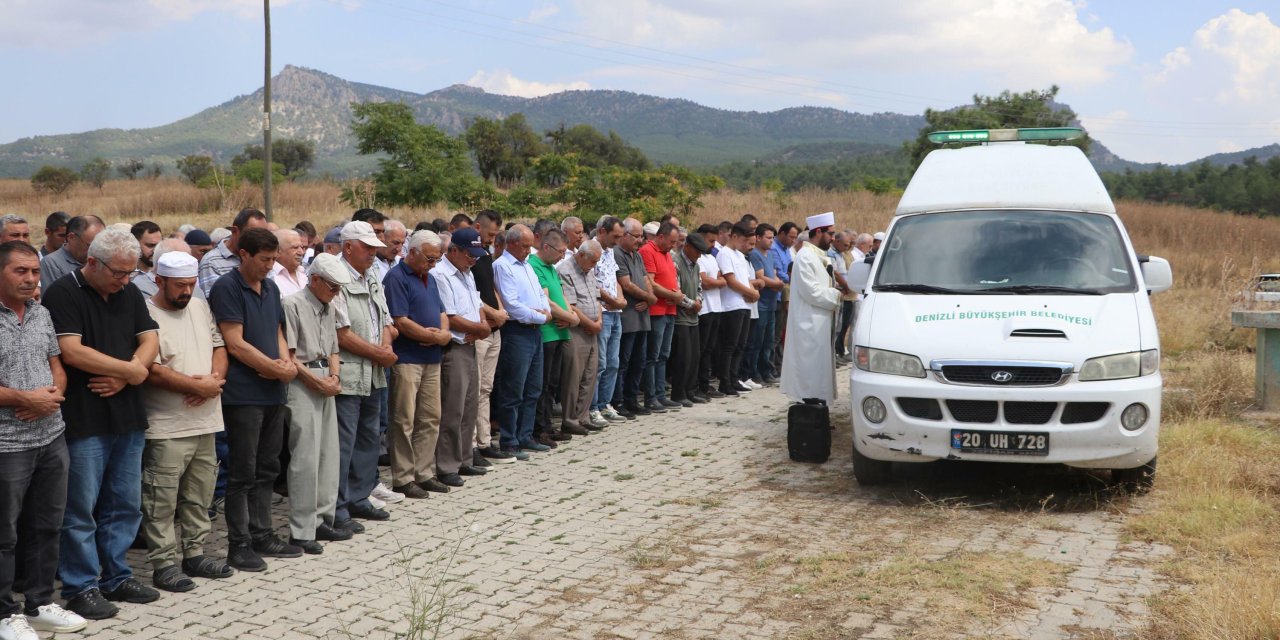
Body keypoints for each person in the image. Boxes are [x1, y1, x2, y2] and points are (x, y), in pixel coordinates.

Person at [42, 228, 160, 619]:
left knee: (125, 503)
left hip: (127, 415)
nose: (125, 281)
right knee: (81, 508)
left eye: (130, 273)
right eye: (118, 273)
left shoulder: (127, 292)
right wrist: (131, 370)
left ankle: (117, 575)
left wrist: (131, 374)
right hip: (84, 417)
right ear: (91, 262)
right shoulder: (63, 292)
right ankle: (81, 585)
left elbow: (150, 338)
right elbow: (71, 351)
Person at [0, 241, 86, 639]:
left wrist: (50, 397)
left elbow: (56, 362)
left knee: (48, 525)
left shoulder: (41, 313)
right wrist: (23, 398)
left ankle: (39, 603)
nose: (31, 279)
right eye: (20, 271)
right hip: (7, 443)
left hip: (51, 435)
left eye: (34, 272)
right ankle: (5, 613)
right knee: (5, 533)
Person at [139, 251, 235, 593]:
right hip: (166, 423)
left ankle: (195, 553)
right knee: (161, 499)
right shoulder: (144, 312)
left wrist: (212, 384)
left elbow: (219, 347)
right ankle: (163, 563)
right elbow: (149, 368)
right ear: (159, 280)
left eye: (192, 284)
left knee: (200, 494)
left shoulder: (198, 304)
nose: (187, 291)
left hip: (206, 419)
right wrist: (195, 386)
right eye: (180, 285)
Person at [208, 227, 301, 571]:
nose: (269, 266)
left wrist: (285, 363)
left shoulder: (272, 287)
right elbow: (234, 343)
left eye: (274, 259)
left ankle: (263, 533)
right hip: (243, 394)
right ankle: (239, 543)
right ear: (243, 255)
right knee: (243, 471)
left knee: (268, 466)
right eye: (264, 259)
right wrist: (274, 369)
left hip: (272, 392)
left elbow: (277, 330)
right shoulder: (226, 288)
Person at [281, 253, 350, 554]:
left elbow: (334, 347)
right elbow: (291, 356)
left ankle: (323, 517)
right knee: (305, 457)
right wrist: (318, 381)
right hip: (303, 379)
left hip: (325, 377)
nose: (336, 293)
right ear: (316, 280)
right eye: (332, 287)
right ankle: (301, 528)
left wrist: (334, 375)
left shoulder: (329, 305)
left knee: (328, 454)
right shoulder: (293, 304)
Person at [332, 221, 399, 529]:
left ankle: (360, 498)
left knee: (368, 438)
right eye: (367, 247)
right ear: (348, 247)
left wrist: (384, 347)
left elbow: (384, 319)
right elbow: (340, 333)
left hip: (373, 371)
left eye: (375, 247)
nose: (374, 253)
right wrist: (379, 353)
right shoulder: (335, 275)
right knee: (344, 443)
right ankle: (338, 506)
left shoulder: (371, 274)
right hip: (349, 373)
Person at [384, 230, 451, 497]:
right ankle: (403, 476)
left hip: (432, 358)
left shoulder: (430, 279)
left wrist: (443, 335)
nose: (433, 264)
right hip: (408, 359)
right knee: (404, 419)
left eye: (436, 259)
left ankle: (424, 472)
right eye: (430, 259)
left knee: (430, 417)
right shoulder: (396, 278)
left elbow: (442, 312)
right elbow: (399, 319)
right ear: (412, 253)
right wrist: (429, 336)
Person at [431, 227, 493, 486]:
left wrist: (481, 326)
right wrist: (480, 329)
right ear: (453, 250)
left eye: (477, 255)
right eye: (469, 254)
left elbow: (477, 305)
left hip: (470, 343)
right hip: (455, 347)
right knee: (453, 409)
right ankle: (446, 465)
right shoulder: (441, 274)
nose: (473, 260)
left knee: (470, 406)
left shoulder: (467, 272)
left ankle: (465, 458)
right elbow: (452, 316)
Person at [492, 225, 551, 459]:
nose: (529, 250)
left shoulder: (527, 266)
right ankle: (509, 439)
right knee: (513, 388)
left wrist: (544, 311)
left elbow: (540, 296)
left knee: (533, 387)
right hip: (517, 332)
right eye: (525, 246)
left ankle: (526, 435)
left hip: (535, 331)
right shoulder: (502, 266)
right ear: (512, 243)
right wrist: (541, 315)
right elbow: (512, 304)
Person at [781, 213, 844, 404]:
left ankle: (818, 412)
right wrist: (836, 294)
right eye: (830, 233)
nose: (833, 238)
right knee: (809, 370)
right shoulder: (804, 257)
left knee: (819, 368)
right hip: (809, 323)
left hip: (820, 321)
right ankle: (809, 411)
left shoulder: (819, 256)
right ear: (818, 232)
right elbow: (812, 292)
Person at [468, 211, 512, 465]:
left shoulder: (484, 255)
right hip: (480, 328)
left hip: (494, 328)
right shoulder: (469, 257)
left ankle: (485, 441)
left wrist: (500, 308)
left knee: (486, 388)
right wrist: (491, 313)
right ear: (477, 227)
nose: (493, 240)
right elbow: (471, 294)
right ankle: (472, 444)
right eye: (491, 234)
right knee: (475, 389)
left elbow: (490, 286)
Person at [530, 229, 577, 448]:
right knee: (543, 383)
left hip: (561, 331)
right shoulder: (534, 265)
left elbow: (562, 296)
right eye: (560, 251)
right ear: (546, 247)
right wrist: (570, 317)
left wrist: (572, 316)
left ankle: (548, 425)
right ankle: (540, 429)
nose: (562, 256)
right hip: (547, 333)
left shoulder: (551, 267)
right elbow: (546, 301)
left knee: (553, 383)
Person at [556, 239, 603, 435]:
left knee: (590, 374)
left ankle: (583, 416)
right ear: (582, 255)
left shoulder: (588, 270)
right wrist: (590, 324)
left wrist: (598, 320)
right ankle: (570, 419)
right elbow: (571, 305)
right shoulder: (565, 270)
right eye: (593, 261)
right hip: (577, 330)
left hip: (593, 328)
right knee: (573, 377)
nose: (594, 266)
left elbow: (596, 298)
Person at [613, 218, 656, 416]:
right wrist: (649, 297)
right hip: (628, 317)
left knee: (639, 361)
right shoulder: (617, 254)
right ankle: (618, 401)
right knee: (624, 361)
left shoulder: (636, 255)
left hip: (642, 316)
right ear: (625, 235)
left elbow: (646, 279)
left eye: (641, 237)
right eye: (637, 236)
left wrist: (650, 299)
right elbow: (626, 284)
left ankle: (632, 400)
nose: (640, 240)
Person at [640, 222, 683, 412]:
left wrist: (677, 294)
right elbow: (651, 282)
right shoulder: (648, 251)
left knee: (664, 355)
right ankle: (651, 397)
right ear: (661, 237)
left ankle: (660, 394)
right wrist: (673, 295)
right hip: (656, 311)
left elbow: (671, 280)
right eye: (671, 241)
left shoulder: (667, 254)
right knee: (653, 356)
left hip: (669, 310)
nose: (673, 245)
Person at [589, 217, 628, 425]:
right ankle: (593, 407)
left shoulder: (610, 251)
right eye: (615, 236)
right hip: (601, 311)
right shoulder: (591, 249)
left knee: (614, 362)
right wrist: (610, 300)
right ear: (602, 231)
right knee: (600, 363)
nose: (618, 241)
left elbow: (613, 279)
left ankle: (606, 404)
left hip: (616, 313)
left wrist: (620, 298)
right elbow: (591, 283)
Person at [715, 224, 760, 396]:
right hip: (731, 305)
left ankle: (734, 378)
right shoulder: (725, 254)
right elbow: (731, 280)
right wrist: (751, 293)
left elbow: (747, 279)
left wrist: (752, 292)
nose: (745, 243)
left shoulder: (740, 255)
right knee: (730, 345)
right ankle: (725, 381)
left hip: (744, 304)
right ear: (734, 236)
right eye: (743, 239)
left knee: (740, 345)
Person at [670, 232, 708, 406]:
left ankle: (691, 391)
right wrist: (692, 304)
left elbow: (699, 287)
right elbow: (676, 291)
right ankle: (679, 393)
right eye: (697, 251)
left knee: (694, 356)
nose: (699, 255)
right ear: (688, 247)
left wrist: (698, 301)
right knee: (682, 358)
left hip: (694, 317)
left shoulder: (696, 265)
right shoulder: (676, 262)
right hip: (681, 317)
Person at [743, 224, 784, 386]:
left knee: (769, 341)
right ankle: (755, 372)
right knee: (757, 341)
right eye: (768, 237)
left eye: (773, 237)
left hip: (772, 303)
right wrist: (778, 284)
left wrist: (777, 282)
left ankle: (766, 370)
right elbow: (762, 278)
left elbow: (772, 274)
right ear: (758, 237)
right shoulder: (755, 255)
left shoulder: (770, 255)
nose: (771, 241)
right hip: (761, 304)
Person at [198, 208, 269, 298]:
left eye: (264, 235)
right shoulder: (211, 262)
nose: (259, 241)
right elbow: (217, 303)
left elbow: (270, 297)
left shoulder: (263, 257)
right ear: (235, 231)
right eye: (253, 235)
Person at [39, 215, 104, 291]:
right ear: (71, 237)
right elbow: (56, 298)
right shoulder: (51, 263)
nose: (96, 251)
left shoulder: (102, 259)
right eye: (90, 246)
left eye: (101, 246)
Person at [770, 221, 799, 376]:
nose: (793, 241)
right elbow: (780, 273)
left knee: (781, 334)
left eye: (795, 238)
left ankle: (779, 365)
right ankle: (772, 367)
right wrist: (793, 278)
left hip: (786, 292)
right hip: (778, 295)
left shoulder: (787, 250)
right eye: (791, 237)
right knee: (775, 335)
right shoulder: (774, 249)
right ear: (781, 234)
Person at [128, 221, 163, 298]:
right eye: (151, 245)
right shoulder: (126, 276)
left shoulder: (166, 272)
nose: (156, 250)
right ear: (135, 244)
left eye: (159, 245)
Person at [271, 229, 308, 298]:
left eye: (301, 247)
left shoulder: (305, 272)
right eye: (295, 247)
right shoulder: (271, 277)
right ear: (278, 251)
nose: (301, 252)